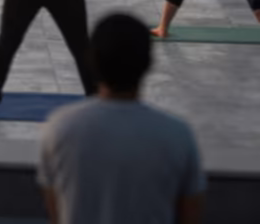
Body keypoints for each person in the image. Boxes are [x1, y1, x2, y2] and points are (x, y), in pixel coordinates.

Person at [38, 13, 205, 224]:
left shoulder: (60, 127)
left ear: (93, 62)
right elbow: (189, 214)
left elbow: (56, 211)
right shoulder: (178, 135)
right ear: (148, 64)